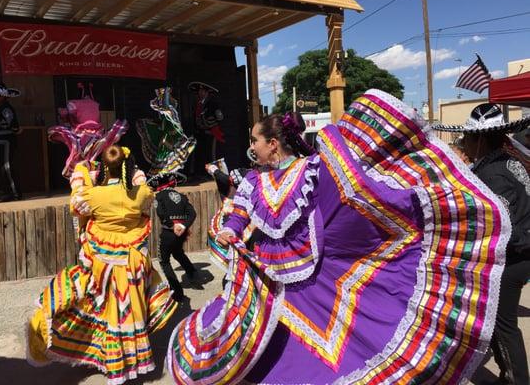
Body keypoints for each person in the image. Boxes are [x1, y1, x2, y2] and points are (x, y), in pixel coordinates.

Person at [166, 90, 508, 384]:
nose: (251, 146)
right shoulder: (253, 182)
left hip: (318, 282)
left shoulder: (313, 169)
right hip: (268, 283)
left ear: (272, 144)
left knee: (336, 356)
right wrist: (229, 231)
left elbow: (351, 196)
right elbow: (238, 214)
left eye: (255, 140)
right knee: (266, 355)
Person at [27, 145, 177, 385]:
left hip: (103, 264)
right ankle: (131, 359)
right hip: (133, 264)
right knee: (129, 313)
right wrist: (134, 173)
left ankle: (111, 360)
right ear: (129, 167)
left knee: (106, 312)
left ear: (105, 167)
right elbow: (145, 189)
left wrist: (80, 171)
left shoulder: (93, 196)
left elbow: (76, 204)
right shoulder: (141, 193)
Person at [436, 103, 530, 385]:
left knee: (502, 326)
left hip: (513, 256)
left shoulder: (492, 175)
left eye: (467, 138)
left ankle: (518, 379)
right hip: (522, 249)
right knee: (498, 324)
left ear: (480, 139)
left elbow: (499, 227)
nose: (464, 143)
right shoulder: (508, 162)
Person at [151, 172, 198, 302]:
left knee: (164, 261)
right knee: (177, 253)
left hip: (168, 233)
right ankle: (192, 272)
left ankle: (177, 291)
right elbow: (192, 213)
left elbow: (160, 213)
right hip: (181, 233)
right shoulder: (182, 197)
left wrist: (172, 225)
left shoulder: (159, 196)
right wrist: (183, 226)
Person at [188, 82, 225, 177]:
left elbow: (220, 117)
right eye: (199, 91)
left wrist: (209, 124)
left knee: (211, 155)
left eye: (203, 91)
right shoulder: (198, 104)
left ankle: (214, 175)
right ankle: (201, 174)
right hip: (200, 134)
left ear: (207, 92)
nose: (200, 93)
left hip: (211, 133)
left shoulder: (212, 103)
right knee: (201, 155)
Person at [0, 82, 21, 201]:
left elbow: (15, 126)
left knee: (7, 166)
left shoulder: (6, 108)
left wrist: (13, 129)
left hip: (6, 141)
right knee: (1, 167)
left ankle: (14, 193)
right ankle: (5, 192)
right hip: (0, 142)